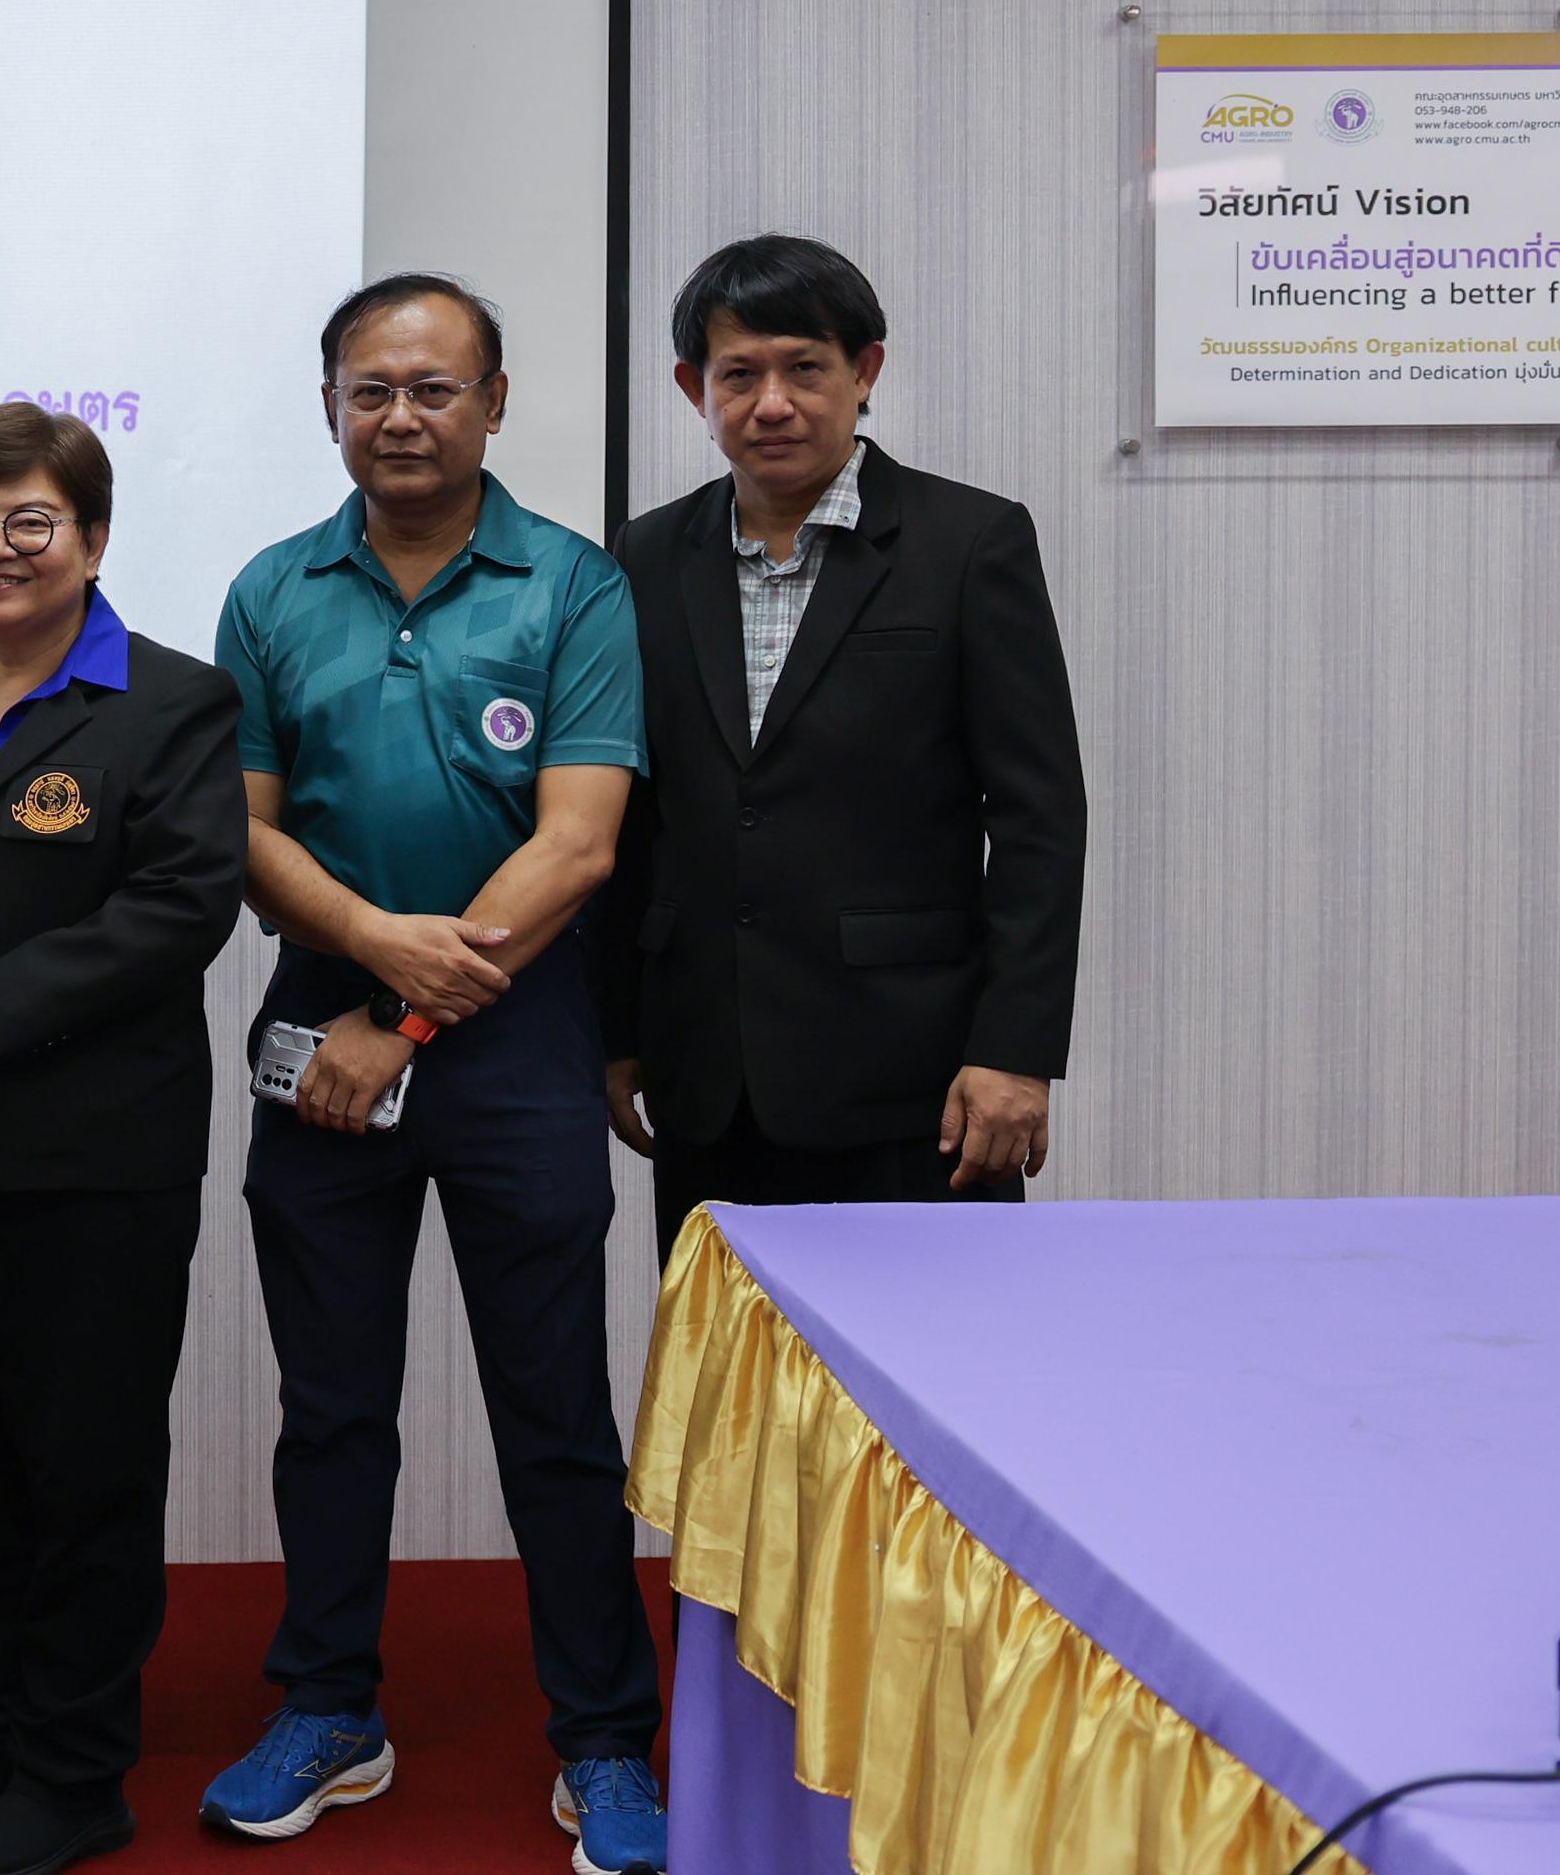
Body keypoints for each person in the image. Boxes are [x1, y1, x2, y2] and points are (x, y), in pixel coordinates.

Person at [205, 276, 669, 1875]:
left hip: (513, 1032)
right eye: (370, 389)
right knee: (331, 1405)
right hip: (319, 1020)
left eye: (432, 388)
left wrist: (405, 1012)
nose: (399, 416)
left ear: (494, 402)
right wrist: (366, 951)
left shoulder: (575, 585)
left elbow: (581, 842)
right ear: (332, 403)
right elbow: (244, 829)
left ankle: (604, 1738)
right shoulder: (272, 589)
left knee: (555, 1408)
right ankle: (330, 1708)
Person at [0, 403, 246, 1875]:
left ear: (93, 537)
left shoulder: (172, 701)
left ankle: (75, 1772)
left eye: (29, 521)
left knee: (82, 1469)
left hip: (89, 1156)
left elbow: (177, 908)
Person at [598, 236, 1088, 1258]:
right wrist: (617, 1030)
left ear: (864, 371)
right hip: (706, 1073)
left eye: (804, 368)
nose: (771, 402)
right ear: (694, 389)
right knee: (730, 1352)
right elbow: (629, 813)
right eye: (739, 374)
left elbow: (1038, 818)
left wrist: (1015, 1049)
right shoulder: (644, 554)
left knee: (928, 1348)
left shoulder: (969, 542)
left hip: (914, 1075)